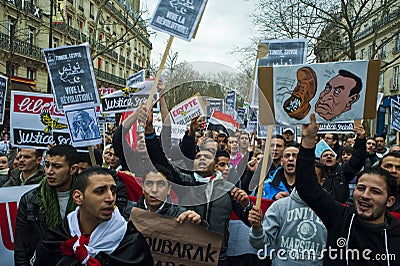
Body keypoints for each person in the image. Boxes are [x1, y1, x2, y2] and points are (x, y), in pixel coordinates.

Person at [144, 106, 252, 265]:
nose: (201, 158)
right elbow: (162, 162)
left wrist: (247, 205)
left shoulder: (229, 189)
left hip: (218, 257)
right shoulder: (185, 182)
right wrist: (149, 133)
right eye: (198, 156)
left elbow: (249, 220)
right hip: (188, 254)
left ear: (215, 166)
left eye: (207, 156)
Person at [297, 113, 400, 265]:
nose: (365, 195)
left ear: (390, 201)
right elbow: (307, 187)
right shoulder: (340, 217)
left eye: (375, 191)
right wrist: (308, 140)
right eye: (361, 188)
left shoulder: (396, 235)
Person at [33, 167, 153, 265]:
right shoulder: (56, 238)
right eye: (100, 191)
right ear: (78, 197)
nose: (110, 198)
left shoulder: (132, 244)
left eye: (113, 191)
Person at [15, 144, 80, 265]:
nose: (49, 171)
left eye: (57, 166)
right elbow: (21, 250)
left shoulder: (86, 197)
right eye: (47, 165)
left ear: (73, 169)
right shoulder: (30, 200)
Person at [248, 187, 327, 265]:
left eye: (312, 178)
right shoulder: (279, 207)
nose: (306, 181)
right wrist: (257, 228)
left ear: (322, 181)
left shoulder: (331, 211)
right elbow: (260, 244)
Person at [318, 126, 366, 203]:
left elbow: (357, 161)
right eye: (325, 155)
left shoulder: (343, 171)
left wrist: (360, 140)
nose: (329, 156)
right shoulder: (317, 174)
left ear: (336, 159)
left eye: (332, 155)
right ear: (320, 160)